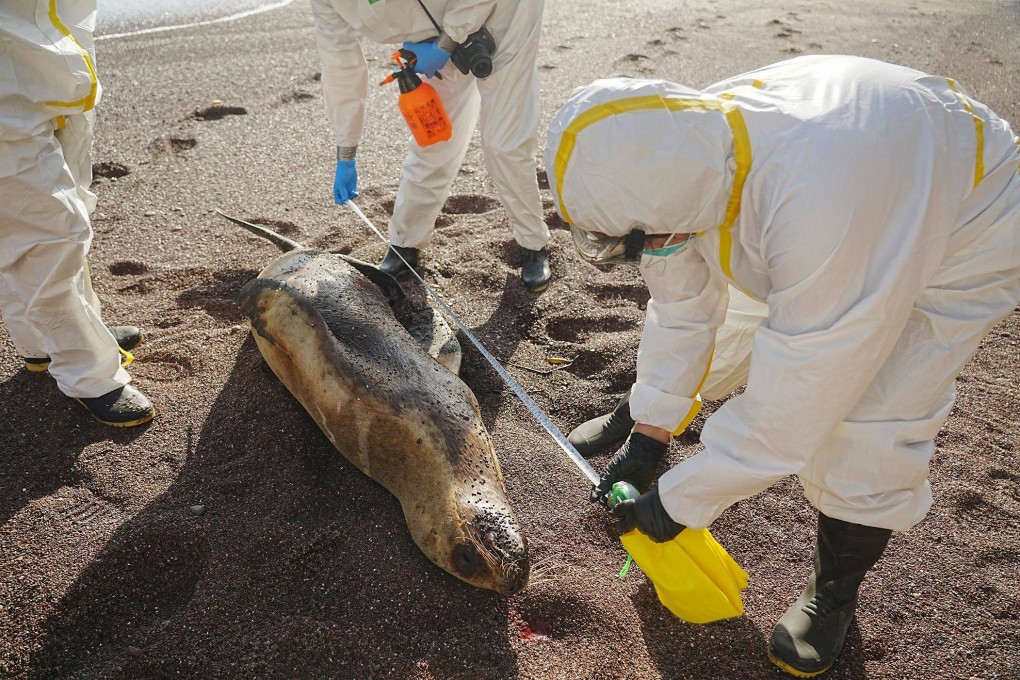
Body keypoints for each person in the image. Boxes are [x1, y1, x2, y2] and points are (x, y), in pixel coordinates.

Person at [544, 55, 1020, 676]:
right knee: (736, 325)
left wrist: (681, 501)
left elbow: (802, 390)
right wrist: (651, 430)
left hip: (965, 216)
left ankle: (834, 592)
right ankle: (641, 415)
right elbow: (684, 304)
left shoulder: (819, 201)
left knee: (874, 411)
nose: (642, 251)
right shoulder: (673, 149)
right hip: (848, 171)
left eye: (638, 240)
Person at [311, 0, 552, 292]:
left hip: (504, 13)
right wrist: (346, 152)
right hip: (436, 37)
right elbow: (340, 65)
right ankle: (405, 244)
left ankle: (534, 244)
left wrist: (447, 42)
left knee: (504, 143)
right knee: (435, 137)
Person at [0, 0, 155, 428]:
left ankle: (45, 341)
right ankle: (89, 374)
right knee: (45, 232)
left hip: (57, 73)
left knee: (60, 210)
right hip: (6, 95)